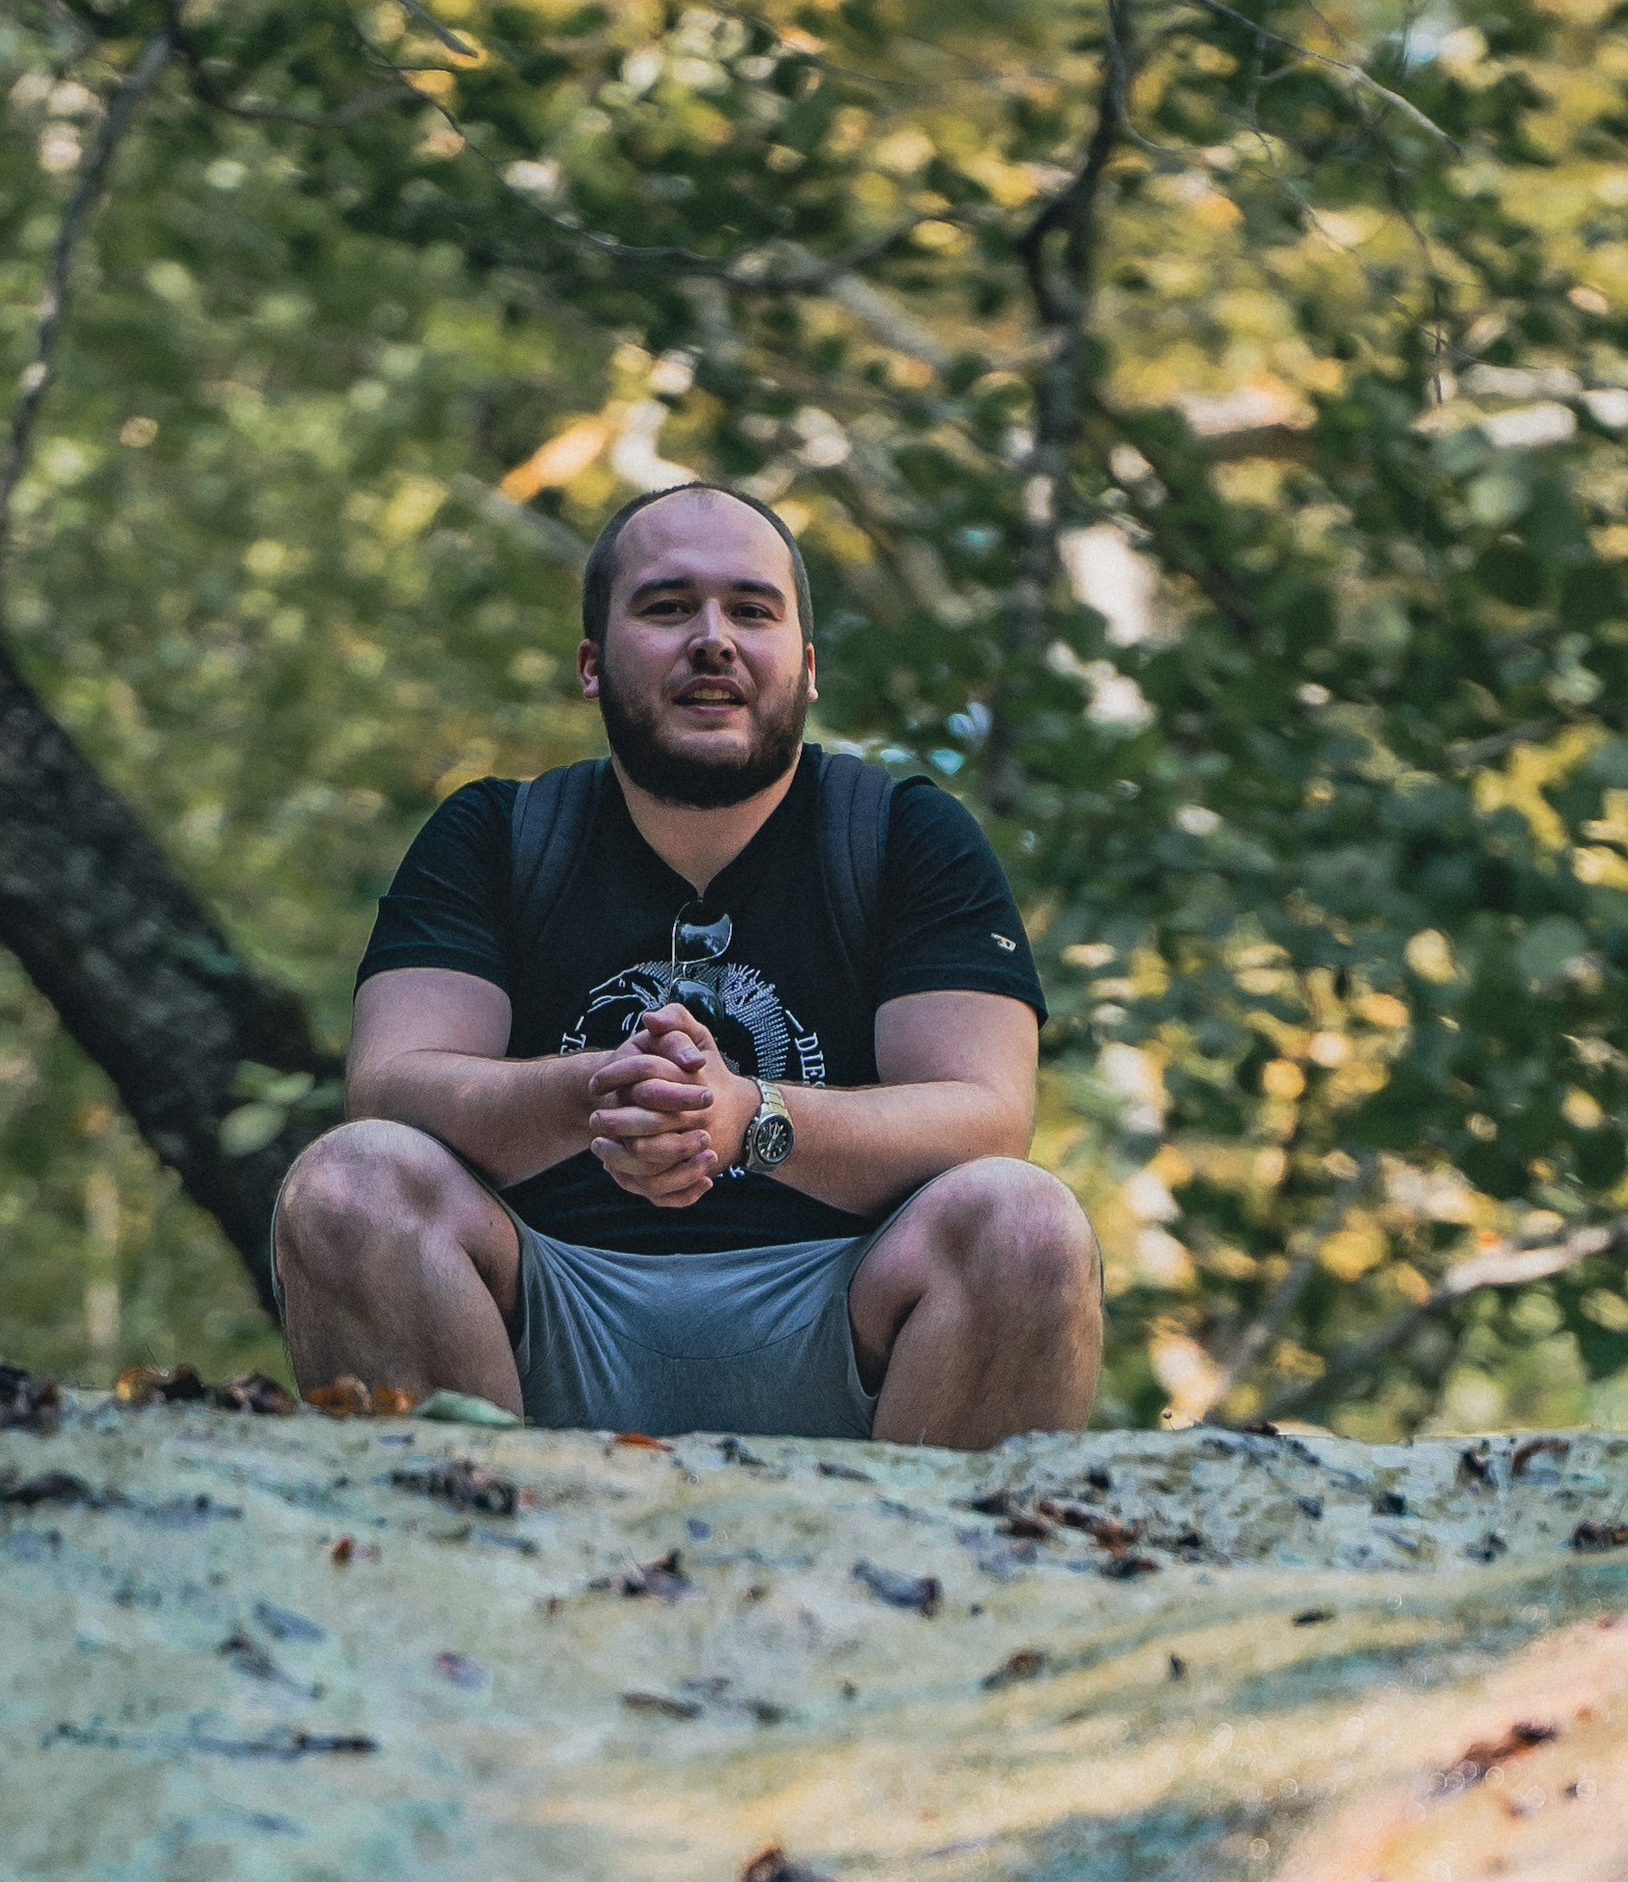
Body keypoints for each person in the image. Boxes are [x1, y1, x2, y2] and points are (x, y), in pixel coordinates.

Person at [273, 481, 1102, 1445]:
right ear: (591, 663)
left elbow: (987, 1114)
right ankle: (478, 1564)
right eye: (669, 608)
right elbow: (388, 1090)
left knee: (1025, 1221)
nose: (714, 638)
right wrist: (600, 1092)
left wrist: (749, 1117)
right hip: (540, 1321)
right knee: (351, 1183)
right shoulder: (494, 835)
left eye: (752, 610)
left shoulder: (907, 836)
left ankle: (937, 1587)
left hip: (840, 1328)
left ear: (807, 664)